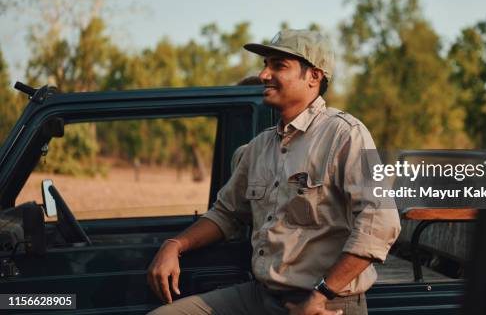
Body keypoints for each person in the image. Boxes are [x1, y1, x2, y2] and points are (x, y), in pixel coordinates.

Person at [147, 29, 401, 315]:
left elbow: (380, 224)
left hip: (325, 302)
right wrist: (174, 244)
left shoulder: (346, 135)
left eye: (278, 66)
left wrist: (322, 294)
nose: (264, 75)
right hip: (260, 296)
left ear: (313, 77)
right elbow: (226, 214)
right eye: (265, 65)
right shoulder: (259, 147)